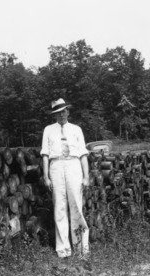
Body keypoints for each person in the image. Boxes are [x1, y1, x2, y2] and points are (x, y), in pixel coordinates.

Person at [41, 98, 90, 260]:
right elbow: (46, 155)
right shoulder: (48, 130)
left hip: (73, 166)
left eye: (63, 111)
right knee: (60, 208)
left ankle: (82, 248)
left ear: (68, 111)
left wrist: (86, 176)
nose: (61, 115)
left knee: (76, 205)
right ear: (54, 115)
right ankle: (63, 249)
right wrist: (46, 176)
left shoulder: (76, 129)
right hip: (56, 167)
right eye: (57, 113)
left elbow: (83, 154)